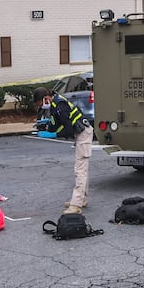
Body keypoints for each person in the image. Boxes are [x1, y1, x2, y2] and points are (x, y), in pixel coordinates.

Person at [33, 86, 94, 215]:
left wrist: (53, 135)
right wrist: (47, 126)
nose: (40, 107)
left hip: (83, 133)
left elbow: (68, 129)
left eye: (40, 104)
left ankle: (76, 205)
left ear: (45, 98)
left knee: (80, 170)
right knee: (82, 169)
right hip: (80, 133)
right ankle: (82, 199)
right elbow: (56, 123)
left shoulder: (60, 104)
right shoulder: (55, 104)